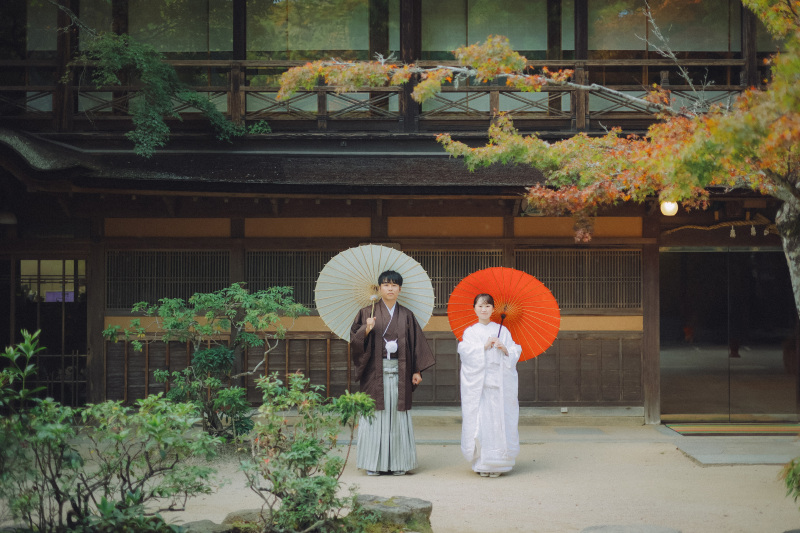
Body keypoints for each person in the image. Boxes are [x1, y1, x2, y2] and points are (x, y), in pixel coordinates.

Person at [350, 269, 435, 476]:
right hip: (374, 373)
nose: (390, 288)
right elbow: (354, 342)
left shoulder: (406, 315)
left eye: (394, 285)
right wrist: (365, 330)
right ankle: (373, 462)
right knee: (375, 415)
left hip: (400, 371)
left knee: (398, 415)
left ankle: (399, 463)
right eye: (386, 285)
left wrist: (416, 370)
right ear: (379, 288)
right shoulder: (366, 313)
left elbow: (415, 344)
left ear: (400, 289)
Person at [457, 293, 522, 477]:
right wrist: (483, 347)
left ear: (494, 309)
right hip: (480, 385)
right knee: (481, 423)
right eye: (480, 306)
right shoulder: (471, 332)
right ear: (474, 308)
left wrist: (505, 348)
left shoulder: (503, 330)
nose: (484, 309)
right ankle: (482, 463)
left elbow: (515, 351)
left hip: (500, 383)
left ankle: (500, 464)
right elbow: (464, 351)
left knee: (499, 421)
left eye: (487, 306)